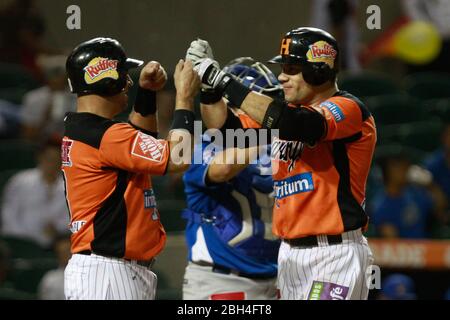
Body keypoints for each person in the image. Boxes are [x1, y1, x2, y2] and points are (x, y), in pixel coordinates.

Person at [188, 27, 376, 300]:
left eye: (291, 68)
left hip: (334, 255)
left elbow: (296, 125)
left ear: (318, 70)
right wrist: (209, 88)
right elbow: (224, 128)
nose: (281, 77)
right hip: (289, 256)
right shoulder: (287, 115)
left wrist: (223, 79)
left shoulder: (348, 108)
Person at [62, 37, 200, 300]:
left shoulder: (88, 129)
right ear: (104, 78)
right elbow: (179, 157)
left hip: (106, 271)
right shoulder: (103, 134)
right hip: (108, 273)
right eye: (123, 74)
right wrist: (185, 96)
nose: (128, 82)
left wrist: (147, 93)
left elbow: (138, 144)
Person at [181, 56, 282, 300]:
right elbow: (224, 169)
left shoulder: (278, 145)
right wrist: (268, 130)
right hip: (222, 280)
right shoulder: (203, 144)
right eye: (261, 99)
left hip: (278, 277)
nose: (267, 108)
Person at [1, 134, 68, 248]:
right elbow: (8, 217)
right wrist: (27, 239)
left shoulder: (68, 187)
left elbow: (70, 220)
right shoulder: (21, 181)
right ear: (40, 157)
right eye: (48, 158)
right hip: (20, 242)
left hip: (54, 245)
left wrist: (58, 228)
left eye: (56, 159)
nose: (52, 163)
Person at [20, 55, 76, 139]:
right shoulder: (33, 98)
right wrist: (45, 117)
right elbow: (28, 136)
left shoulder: (77, 97)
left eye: (60, 74)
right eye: (53, 74)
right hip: (43, 143)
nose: (57, 79)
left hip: (71, 142)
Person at [38, 233, 71, 300]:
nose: (67, 255)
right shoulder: (51, 279)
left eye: (68, 251)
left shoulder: (90, 273)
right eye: (62, 252)